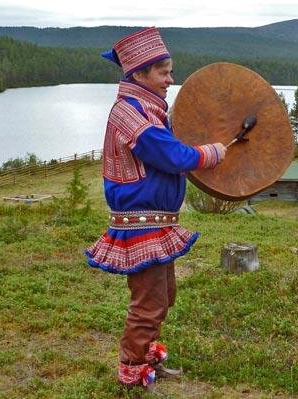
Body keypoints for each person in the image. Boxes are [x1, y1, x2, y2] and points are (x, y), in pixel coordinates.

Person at [85, 27, 227, 388]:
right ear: (139, 74)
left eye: (171, 71)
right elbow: (168, 153)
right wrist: (210, 153)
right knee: (148, 302)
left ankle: (147, 356)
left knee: (164, 297)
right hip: (140, 222)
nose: (170, 79)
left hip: (156, 221)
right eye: (164, 72)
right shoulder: (130, 114)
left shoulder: (147, 109)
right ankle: (131, 371)